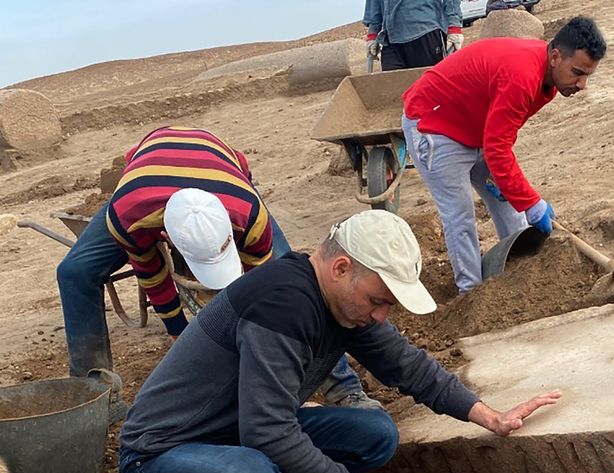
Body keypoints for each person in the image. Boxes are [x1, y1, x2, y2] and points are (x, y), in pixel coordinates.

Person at [118, 210, 560, 473]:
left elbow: (407, 365)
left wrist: (490, 416)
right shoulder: (281, 306)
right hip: (160, 458)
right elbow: (267, 430)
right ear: (341, 267)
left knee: (375, 434)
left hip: (232, 439)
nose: (381, 316)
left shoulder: (342, 303)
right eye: (378, 301)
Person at [55, 125, 377, 411]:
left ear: (228, 226)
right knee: (74, 273)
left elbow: (268, 287)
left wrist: (257, 340)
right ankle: (94, 399)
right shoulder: (129, 215)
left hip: (223, 167)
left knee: (295, 279)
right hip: (146, 180)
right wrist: (178, 332)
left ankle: (344, 388)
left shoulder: (249, 213)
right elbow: (152, 274)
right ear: (164, 236)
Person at [401, 17, 606, 293]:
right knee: (460, 214)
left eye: (587, 76)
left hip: (474, 129)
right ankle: (471, 294)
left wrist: (515, 192)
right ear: (556, 56)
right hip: (433, 123)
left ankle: (521, 275)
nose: (582, 85)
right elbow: (498, 149)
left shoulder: (548, 79)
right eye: (578, 72)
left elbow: (500, 138)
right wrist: (533, 202)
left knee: (511, 206)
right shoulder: (523, 76)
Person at [364, 0, 464, 71]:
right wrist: (372, 34)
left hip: (425, 31)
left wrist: (454, 26)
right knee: (393, 92)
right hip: (391, 39)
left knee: (431, 90)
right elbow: (374, 3)